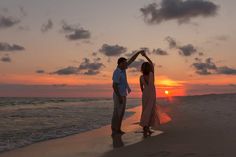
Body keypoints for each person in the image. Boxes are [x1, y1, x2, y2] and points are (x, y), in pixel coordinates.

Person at [111, 50, 144, 136]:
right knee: (118, 113)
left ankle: (116, 129)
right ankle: (116, 130)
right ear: (120, 63)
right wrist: (119, 97)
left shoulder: (123, 69)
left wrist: (139, 52)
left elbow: (131, 60)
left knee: (120, 112)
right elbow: (114, 86)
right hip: (119, 94)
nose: (126, 65)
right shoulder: (117, 72)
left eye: (126, 63)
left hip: (123, 94)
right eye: (125, 63)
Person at [139, 52, 160, 137]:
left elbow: (141, 88)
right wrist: (145, 56)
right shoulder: (152, 74)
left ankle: (145, 127)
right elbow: (151, 63)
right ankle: (147, 127)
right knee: (150, 110)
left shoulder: (141, 77)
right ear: (149, 68)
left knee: (145, 110)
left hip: (145, 95)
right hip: (151, 94)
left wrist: (144, 93)